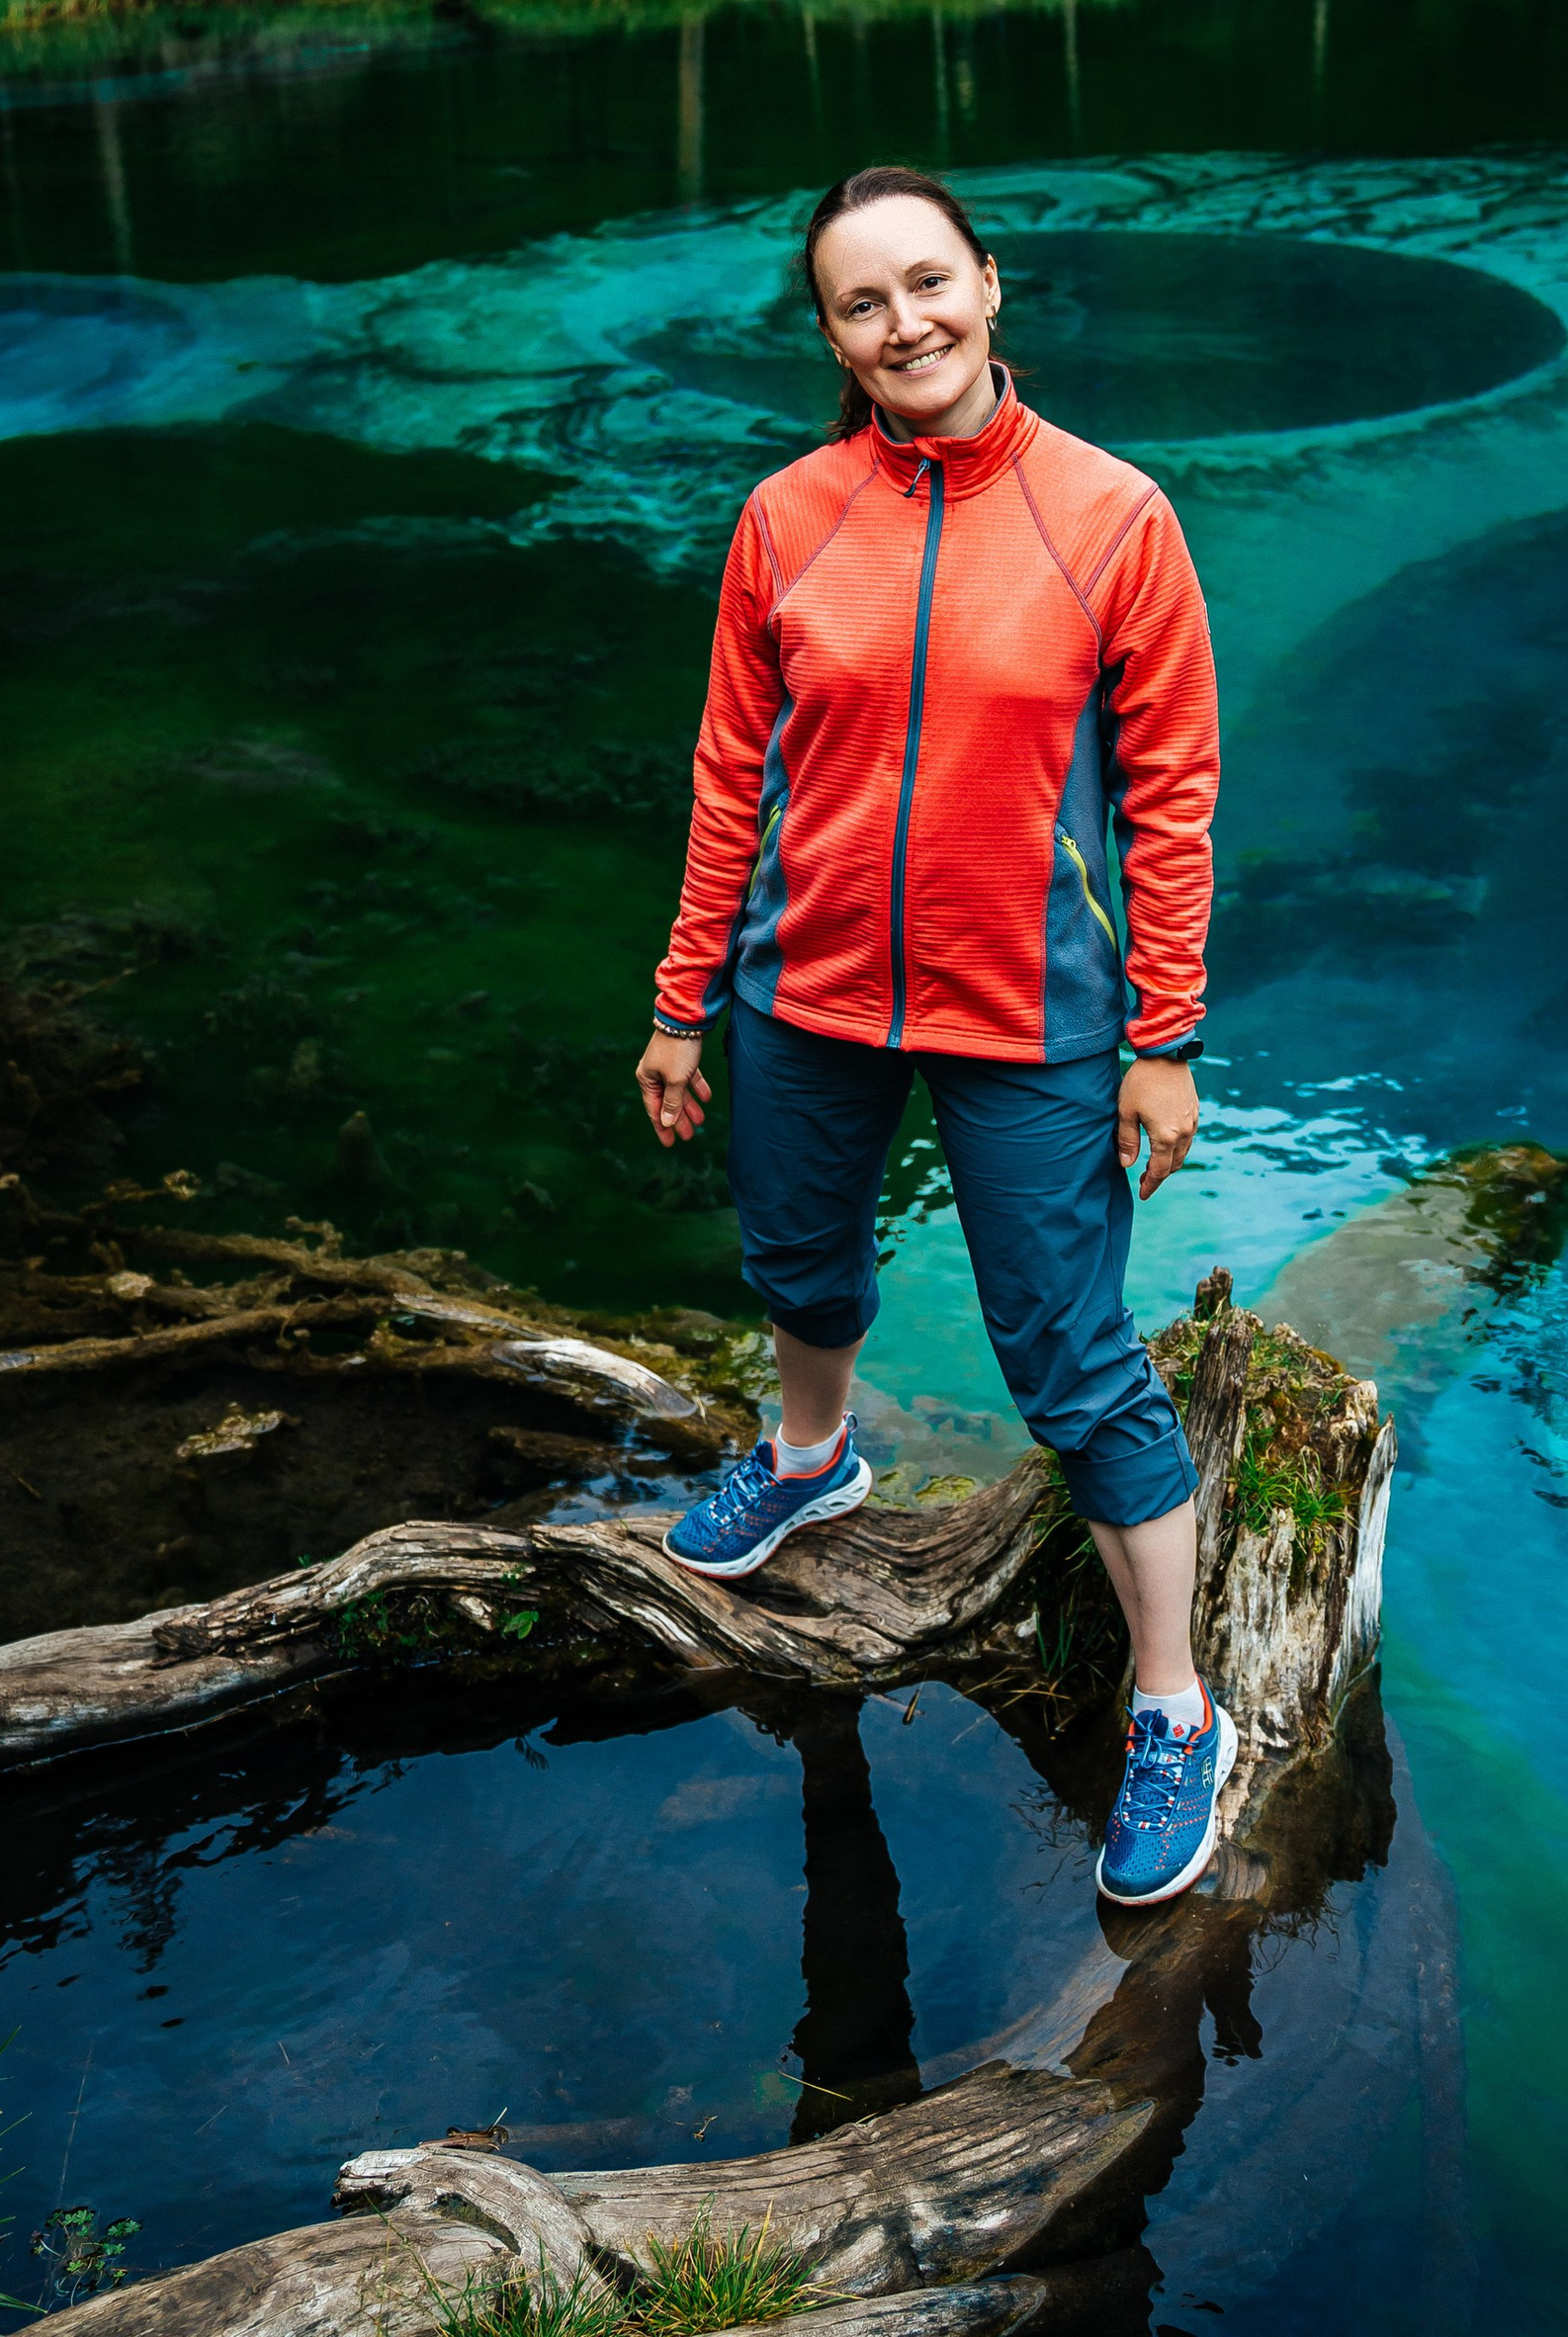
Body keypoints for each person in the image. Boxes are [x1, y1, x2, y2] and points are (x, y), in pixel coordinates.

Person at [635, 161, 1233, 1908]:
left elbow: (1176, 800)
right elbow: (730, 777)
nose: (904, 324)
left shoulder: (1111, 514)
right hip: (804, 985)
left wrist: (1165, 1033)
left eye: (926, 284)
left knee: (1073, 1358)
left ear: (993, 281)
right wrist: (684, 1003)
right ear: (831, 334)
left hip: (1029, 1009)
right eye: (861, 304)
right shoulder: (787, 518)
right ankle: (810, 1461)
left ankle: (1174, 1708)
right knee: (800, 1257)